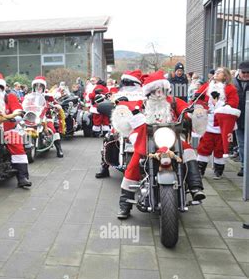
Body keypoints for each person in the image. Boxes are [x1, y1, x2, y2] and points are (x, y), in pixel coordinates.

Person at [117, 70, 206, 219]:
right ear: (149, 92)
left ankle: (196, 187)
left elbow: (187, 110)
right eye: (155, 90)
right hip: (148, 140)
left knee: (189, 151)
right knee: (133, 164)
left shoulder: (174, 101)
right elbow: (128, 108)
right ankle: (125, 204)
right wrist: (126, 110)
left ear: (166, 90)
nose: (159, 94)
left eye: (161, 90)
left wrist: (196, 111)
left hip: (172, 138)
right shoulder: (143, 104)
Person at [95, 70, 145, 179]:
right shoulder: (116, 95)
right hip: (122, 123)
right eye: (126, 83)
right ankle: (104, 167)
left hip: (140, 123)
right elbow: (105, 103)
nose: (128, 86)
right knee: (109, 137)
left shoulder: (146, 95)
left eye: (130, 83)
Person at [196, 67, 240, 180]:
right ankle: (200, 169)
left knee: (220, 148)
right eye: (215, 72)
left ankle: (218, 170)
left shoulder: (230, 89)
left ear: (225, 76)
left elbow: (233, 104)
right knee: (204, 146)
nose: (216, 74)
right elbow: (197, 98)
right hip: (208, 121)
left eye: (219, 72)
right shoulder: (207, 86)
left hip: (222, 124)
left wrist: (219, 104)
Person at [23, 76, 64, 158]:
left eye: (40, 86)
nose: (38, 87)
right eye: (36, 86)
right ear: (33, 86)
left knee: (52, 129)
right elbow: (23, 102)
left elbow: (55, 103)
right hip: (31, 116)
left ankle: (59, 149)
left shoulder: (48, 96)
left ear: (43, 87)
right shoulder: (29, 96)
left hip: (45, 116)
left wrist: (57, 106)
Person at [232, 61, 249, 177]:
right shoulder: (233, 83)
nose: (246, 74)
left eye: (248, 72)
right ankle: (244, 166)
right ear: (239, 71)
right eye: (244, 72)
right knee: (242, 144)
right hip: (238, 118)